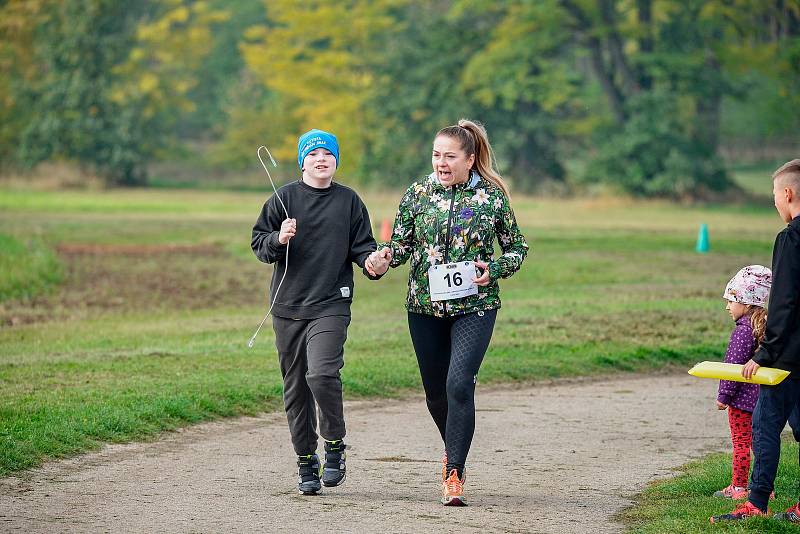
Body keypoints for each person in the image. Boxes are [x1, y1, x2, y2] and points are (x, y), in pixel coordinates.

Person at [365, 119, 528, 506]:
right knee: (436, 394)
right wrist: (384, 258)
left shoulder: (491, 198)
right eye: (437, 155)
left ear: (470, 160)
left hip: (475, 306)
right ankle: (454, 446)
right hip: (424, 307)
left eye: (450, 156)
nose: (441, 162)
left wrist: (496, 269)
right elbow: (400, 245)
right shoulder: (418, 193)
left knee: (459, 384)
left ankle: (454, 470)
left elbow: (517, 248)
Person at [251, 129, 379, 495]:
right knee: (295, 388)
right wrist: (279, 238)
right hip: (288, 308)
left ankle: (335, 444)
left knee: (321, 374)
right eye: (313, 154)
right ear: (302, 161)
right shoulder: (283, 199)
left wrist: (374, 261)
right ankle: (306, 460)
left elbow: (363, 249)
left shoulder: (349, 202)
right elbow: (260, 245)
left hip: (331, 303)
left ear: (336, 160)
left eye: (328, 154)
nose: (320, 159)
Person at [712, 159, 800, 523]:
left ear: (788, 193)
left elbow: (784, 302)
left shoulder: (790, 238)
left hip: (789, 355)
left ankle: (756, 502)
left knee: (765, 425)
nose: (776, 204)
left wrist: (765, 353)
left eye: (774, 196)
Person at [713, 265, 771, 500]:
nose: (727, 306)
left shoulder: (742, 331)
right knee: (761, 445)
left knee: (740, 444)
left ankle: (738, 488)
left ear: (746, 303)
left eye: (731, 300)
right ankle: (765, 488)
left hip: (740, 402)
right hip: (763, 400)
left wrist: (723, 397)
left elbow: (733, 368)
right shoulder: (765, 327)